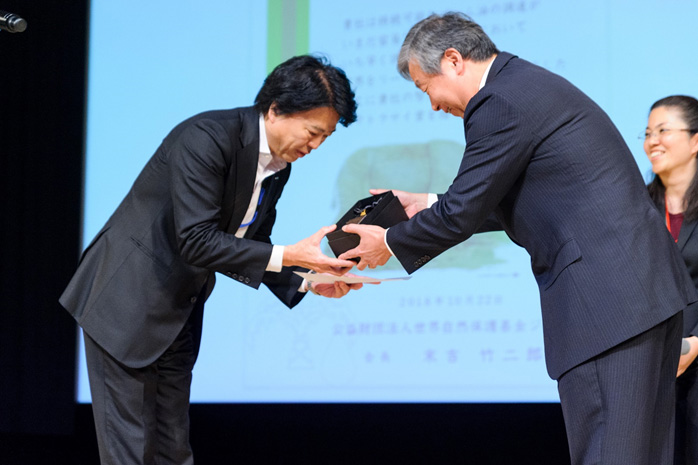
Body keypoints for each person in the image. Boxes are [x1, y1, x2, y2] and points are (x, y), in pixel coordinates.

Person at [338, 12, 696, 465]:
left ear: (452, 60)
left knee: (611, 452)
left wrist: (387, 242)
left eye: (423, 86)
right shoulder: (523, 85)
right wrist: (427, 202)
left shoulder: (499, 100)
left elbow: (463, 213)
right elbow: (527, 197)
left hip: (608, 306)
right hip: (636, 297)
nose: (431, 105)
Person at [60, 54, 361, 465]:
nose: (314, 147)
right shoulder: (207, 137)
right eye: (312, 132)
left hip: (180, 308)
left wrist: (307, 279)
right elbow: (197, 241)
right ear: (275, 110)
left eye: (324, 138)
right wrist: (290, 255)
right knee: (129, 449)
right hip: (125, 302)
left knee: (173, 447)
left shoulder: (278, 166)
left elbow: (252, 240)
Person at [643, 95, 698, 465]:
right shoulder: (637, 206)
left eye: (664, 130)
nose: (652, 141)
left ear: (695, 141)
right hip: (650, 366)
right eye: (647, 133)